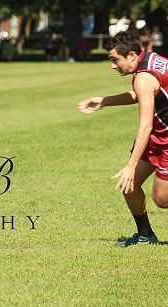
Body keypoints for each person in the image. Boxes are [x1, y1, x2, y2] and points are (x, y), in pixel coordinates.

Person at [78, 31, 168, 247]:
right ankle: (145, 235)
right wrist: (105, 101)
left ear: (132, 55)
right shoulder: (150, 60)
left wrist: (131, 164)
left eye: (114, 60)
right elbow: (141, 94)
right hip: (158, 135)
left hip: (164, 138)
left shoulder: (143, 78)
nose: (112, 66)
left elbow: (145, 125)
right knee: (130, 184)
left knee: (162, 199)